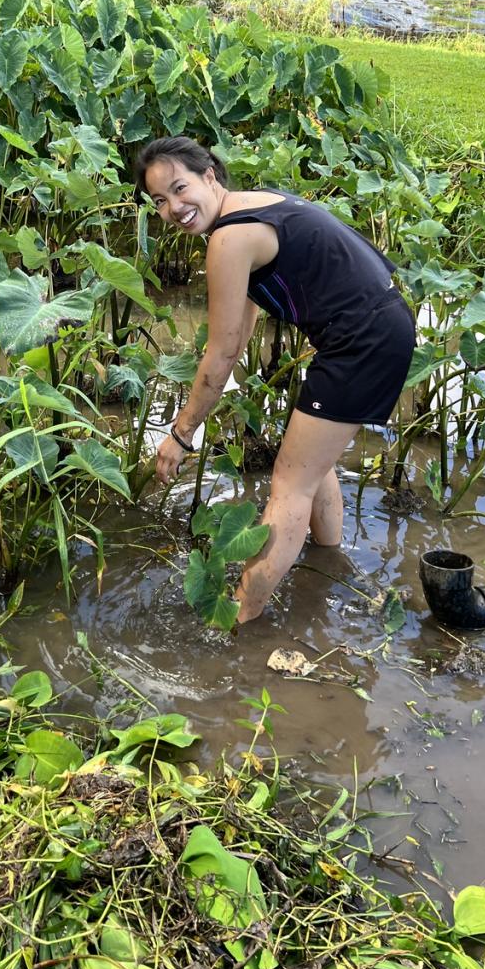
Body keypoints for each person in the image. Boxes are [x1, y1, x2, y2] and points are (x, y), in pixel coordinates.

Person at [136, 135, 415, 624]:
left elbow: (221, 353)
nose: (173, 208)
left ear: (209, 175)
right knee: (310, 461)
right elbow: (237, 334)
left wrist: (181, 434)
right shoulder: (247, 210)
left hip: (362, 341)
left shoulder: (229, 239)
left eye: (180, 189)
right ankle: (328, 563)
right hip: (377, 326)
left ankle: (239, 622)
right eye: (160, 201)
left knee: (288, 485)